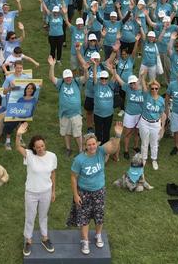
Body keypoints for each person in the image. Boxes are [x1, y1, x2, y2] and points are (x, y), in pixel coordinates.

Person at [67, 122, 123, 255]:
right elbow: (73, 177)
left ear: (96, 143)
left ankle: (98, 235)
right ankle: (85, 240)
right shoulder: (79, 160)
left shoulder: (101, 151)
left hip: (99, 191)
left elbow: (114, 148)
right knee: (84, 217)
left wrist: (118, 135)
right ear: (85, 146)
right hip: (83, 192)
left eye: (93, 144)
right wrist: (75, 195)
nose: (92, 146)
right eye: (89, 144)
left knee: (99, 215)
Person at [15, 122, 57, 257]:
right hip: (31, 193)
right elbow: (17, 147)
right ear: (33, 147)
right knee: (30, 217)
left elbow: (53, 174)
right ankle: (28, 240)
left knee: (43, 216)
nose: (40, 148)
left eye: (42, 146)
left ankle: (45, 238)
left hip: (46, 191)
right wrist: (18, 134)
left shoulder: (52, 156)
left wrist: (53, 191)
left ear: (45, 145)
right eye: (37, 147)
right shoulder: (29, 155)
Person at [48, 56, 84, 157]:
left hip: (76, 114)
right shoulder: (61, 83)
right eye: (66, 77)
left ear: (72, 77)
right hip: (64, 114)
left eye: (69, 77)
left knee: (77, 133)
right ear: (64, 78)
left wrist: (85, 70)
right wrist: (52, 66)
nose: (68, 79)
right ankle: (68, 148)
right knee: (66, 132)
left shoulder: (76, 82)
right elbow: (51, 78)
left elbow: (86, 78)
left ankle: (81, 150)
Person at [136, 72, 166, 170]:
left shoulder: (161, 100)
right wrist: (142, 77)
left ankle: (154, 160)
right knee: (144, 142)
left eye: (156, 88)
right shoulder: (146, 95)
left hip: (155, 124)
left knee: (154, 143)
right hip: (144, 122)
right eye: (152, 88)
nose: (154, 90)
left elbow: (162, 114)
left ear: (158, 89)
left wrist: (162, 127)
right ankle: (144, 159)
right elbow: (144, 86)